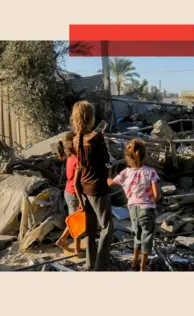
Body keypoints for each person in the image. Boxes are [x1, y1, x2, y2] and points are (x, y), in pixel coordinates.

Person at [72, 100, 113, 271]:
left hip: (83, 187)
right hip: (98, 189)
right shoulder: (97, 137)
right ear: (90, 118)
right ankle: (100, 266)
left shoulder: (75, 139)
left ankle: (90, 263)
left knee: (90, 230)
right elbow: (105, 159)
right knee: (107, 227)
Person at [107, 139, 160, 271]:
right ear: (144, 155)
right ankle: (142, 267)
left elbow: (110, 183)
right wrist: (151, 200)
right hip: (146, 209)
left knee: (137, 235)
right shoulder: (150, 172)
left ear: (127, 157)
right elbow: (157, 195)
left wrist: (107, 174)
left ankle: (134, 263)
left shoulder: (125, 173)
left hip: (133, 210)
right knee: (146, 237)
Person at [55, 132, 82, 254]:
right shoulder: (76, 159)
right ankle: (75, 248)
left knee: (74, 220)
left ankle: (63, 239)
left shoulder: (70, 157)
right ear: (73, 143)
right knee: (77, 223)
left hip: (68, 192)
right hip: (74, 194)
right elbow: (76, 183)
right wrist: (81, 201)